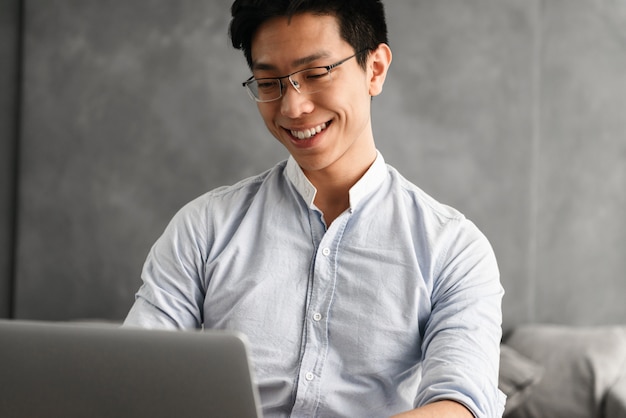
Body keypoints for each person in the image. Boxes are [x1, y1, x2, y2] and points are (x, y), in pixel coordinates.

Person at [123, 0, 506, 417]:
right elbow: (132, 381)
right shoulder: (204, 228)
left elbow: (462, 406)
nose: (292, 107)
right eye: (269, 83)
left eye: (316, 73)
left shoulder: (453, 247)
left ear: (374, 69)